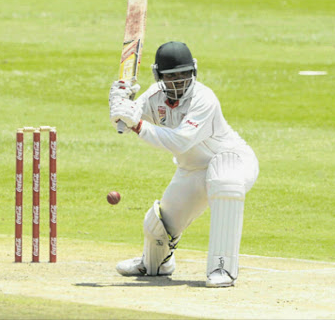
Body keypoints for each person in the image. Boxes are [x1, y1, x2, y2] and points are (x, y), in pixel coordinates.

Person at [109, 41, 259, 287]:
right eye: (172, 76)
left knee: (224, 181)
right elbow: (125, 122)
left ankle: (223, 268)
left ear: (194, 71)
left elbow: (180, 142)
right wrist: (119, 104)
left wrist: (136, 124)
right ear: (158, 76)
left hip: (232, 160)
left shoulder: (204, 98)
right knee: (159, 227)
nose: (179, 81)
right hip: (193, 170)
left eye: (184, 74)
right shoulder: (154, 96)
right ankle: (154, 263)